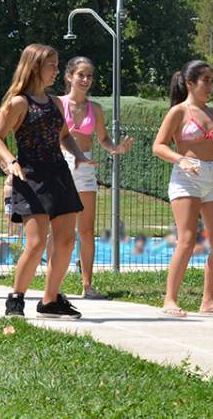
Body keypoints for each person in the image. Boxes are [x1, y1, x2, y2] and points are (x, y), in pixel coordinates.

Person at [0, 43, 87, 319]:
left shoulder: (56, 102)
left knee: (66, 241)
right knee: (36, 242)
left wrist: (78, 155)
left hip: (59, 174)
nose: (57, 70)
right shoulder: (18, 102)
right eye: (52, 65)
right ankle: (15, 299)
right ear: (35, 67)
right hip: (30, 175)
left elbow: (64, 135)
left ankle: (50, 300)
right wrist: (11, 161)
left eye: (56, 64)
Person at [152, 60, 213, 318]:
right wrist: (180, 159)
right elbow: (158, 146)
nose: (210, 85)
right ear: (189, 83)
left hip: (211, 178)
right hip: (186, 177)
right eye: (205, 80)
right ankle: (170, 299)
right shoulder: (178, 112)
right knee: (187, 239)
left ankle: (208, 301)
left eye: (211, 80)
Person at [59, 56, 134, 299]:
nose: (86, 79)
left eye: (89, 75)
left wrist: (116, 149)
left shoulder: (96, 109)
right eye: (81, 74)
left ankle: (87, 285)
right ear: (69, 76)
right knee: (60, 229)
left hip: (87, 165)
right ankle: (54, 284)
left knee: (86, 229)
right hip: (61, 164)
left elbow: (103, 139)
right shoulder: (58, 104)